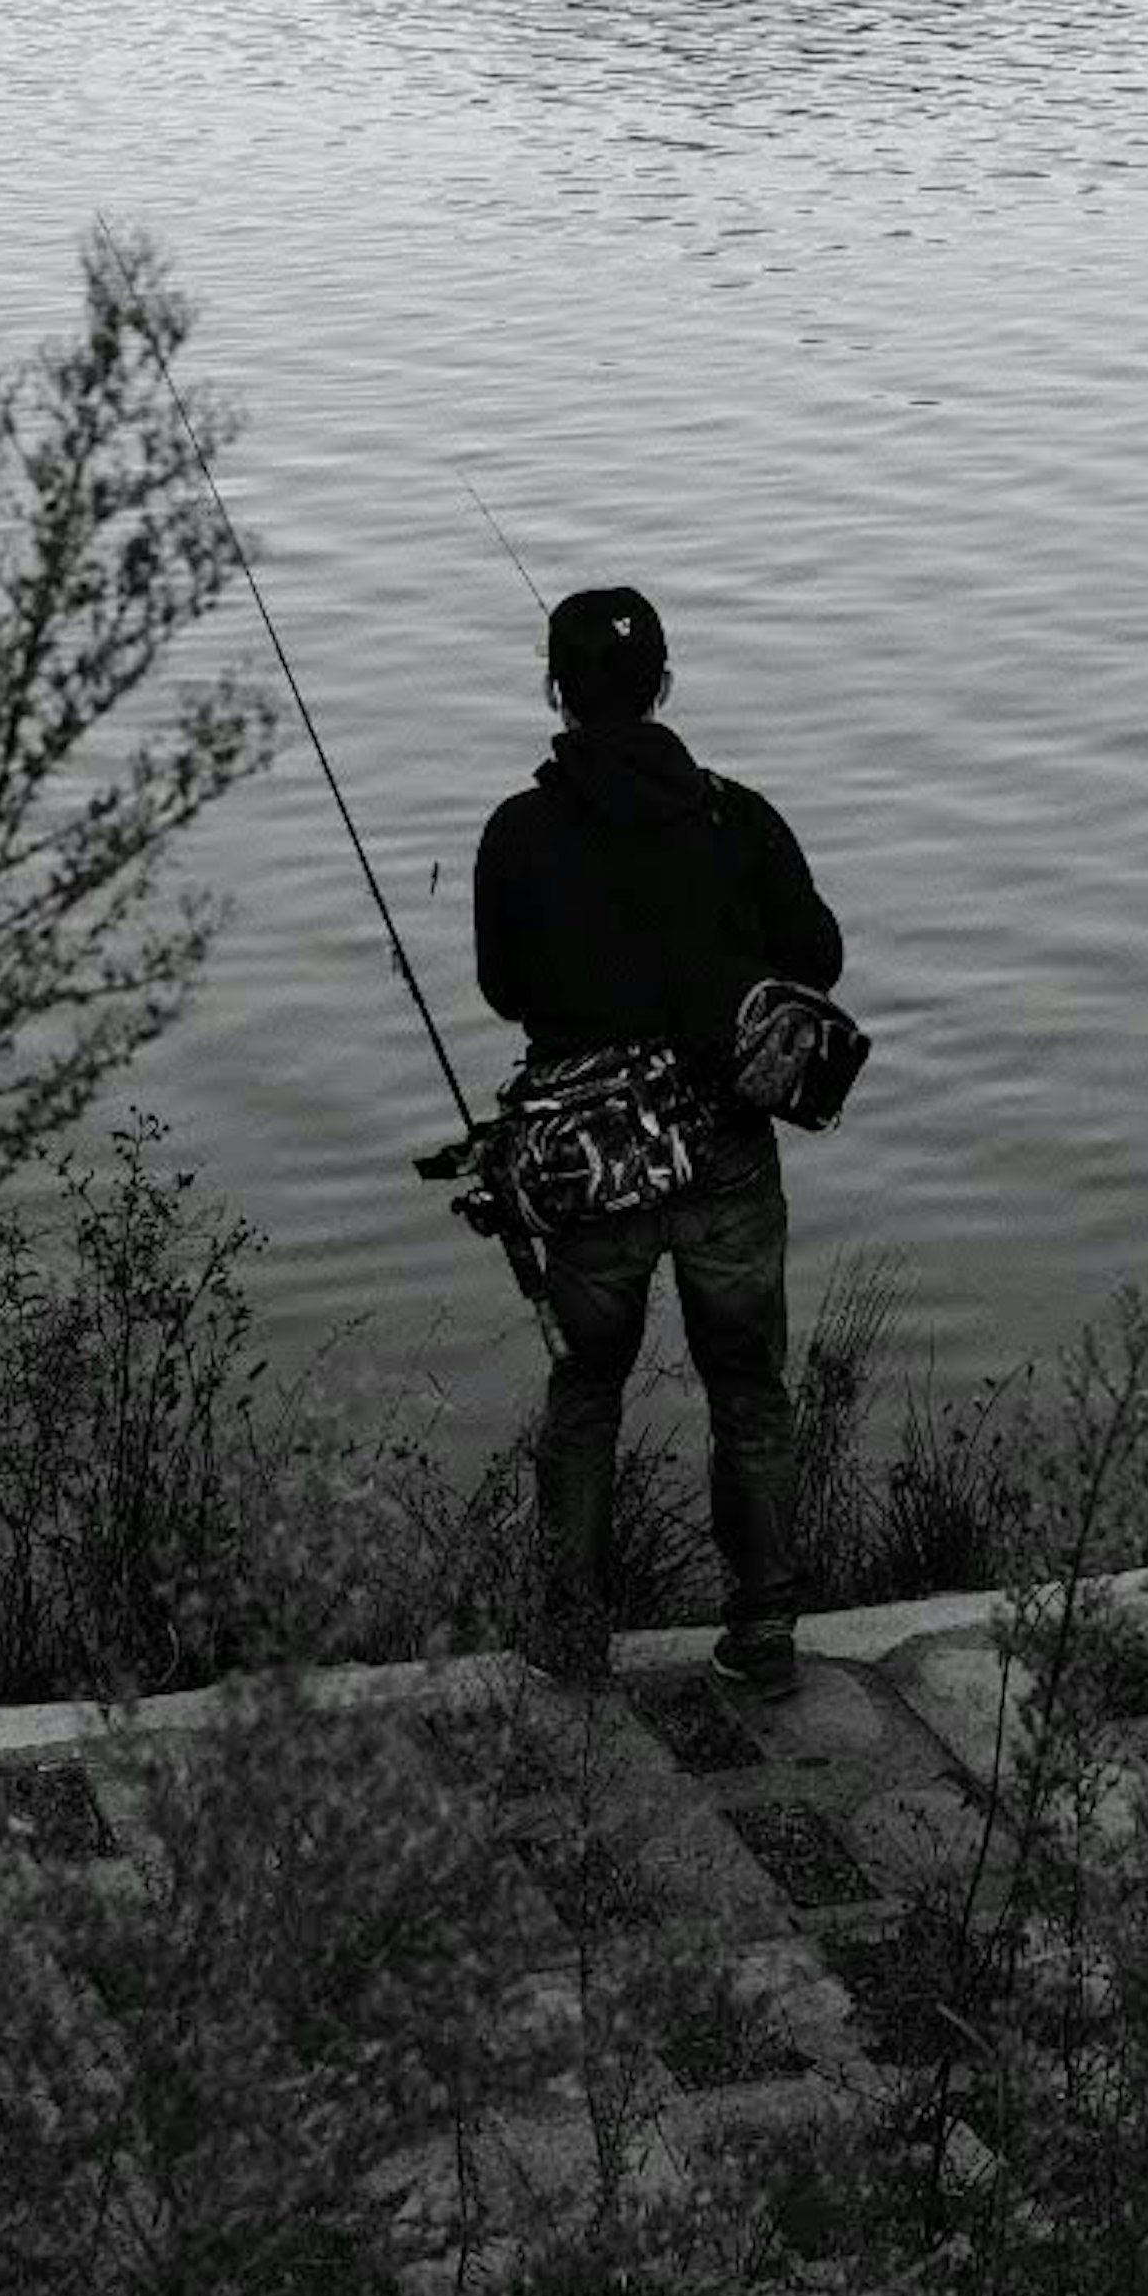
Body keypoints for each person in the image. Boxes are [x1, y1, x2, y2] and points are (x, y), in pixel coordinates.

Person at [474, 580, 843, 1696]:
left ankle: (577, 1641)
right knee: (749, 1391)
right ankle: (765, 1630)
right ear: (665, 683)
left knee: (587, 1391)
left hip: (591, 1168)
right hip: (725, 1147)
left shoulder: (519, 832)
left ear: (555, 691)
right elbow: (816, 961)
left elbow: (502, 991)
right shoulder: (739, 817)